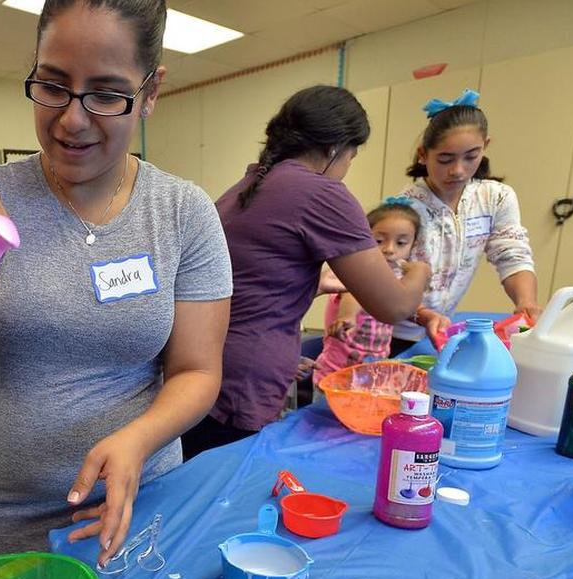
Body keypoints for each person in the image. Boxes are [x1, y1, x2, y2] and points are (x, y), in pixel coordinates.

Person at [0, 0, 231, 567]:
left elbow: (197, 370)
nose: (72, 120)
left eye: (107, 94)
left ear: (151, 91)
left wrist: (138, 440)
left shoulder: (183, 212)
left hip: (136, 498)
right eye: (53, 85)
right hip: (6, 509)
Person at [181, 85, 431, 460]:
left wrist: (314, 287)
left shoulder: (248, 186)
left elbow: (254, 281)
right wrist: (421, 270)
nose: (346, 170)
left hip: (203, 367)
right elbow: (392, 307)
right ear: (335, 149)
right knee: (223, 485)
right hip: (240, 383)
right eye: (351, 157)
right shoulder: (320, 192)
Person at [389, 89, 539, 355]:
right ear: (423, 154)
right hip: (393, 332)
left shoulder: (495, 197)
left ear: (486, 146)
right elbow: (388, 281)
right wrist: (424, 315)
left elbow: (512, 255)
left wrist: (526, 303)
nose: (458, 170)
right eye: (445, 159)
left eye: (471, 156)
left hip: (441, 330)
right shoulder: (404, 209)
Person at [313, 198, 423, 387]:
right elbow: (354, 292)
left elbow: (404, 305)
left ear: (413, 244)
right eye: (379, 240)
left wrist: (426, 315)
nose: (389, 249)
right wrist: (347, 316)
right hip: (336, 372)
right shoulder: (355, 270)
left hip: (373, 372)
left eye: (401, 243)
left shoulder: (397, 277)